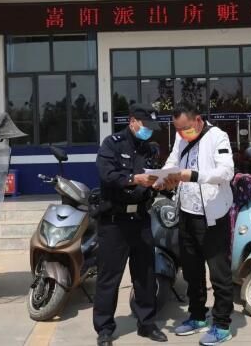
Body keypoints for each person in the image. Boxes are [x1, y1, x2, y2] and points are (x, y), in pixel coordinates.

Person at [158, 102, 235, 346]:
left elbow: (226, 172)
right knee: (192, 271)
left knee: (219, 274)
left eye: (185, 128)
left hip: (212, 217)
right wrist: (162, 177)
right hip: (186, 214)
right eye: (178, 130)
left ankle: (222, 324)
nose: (182, 134)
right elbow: (172, 161)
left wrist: (194, 175)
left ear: (198, 120)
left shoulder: (218, 137)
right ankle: (198, 316)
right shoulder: (180, 138)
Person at [94, 103, 168, 346]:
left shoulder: (149, 148)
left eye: (151, 127)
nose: (149, 130)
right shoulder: (112, 144)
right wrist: (133, 179)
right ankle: (105, 328)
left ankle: (147, 324)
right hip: (114, 222)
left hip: (141, 220)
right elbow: (107, 175)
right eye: (145, 125)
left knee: (145, 275)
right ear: (132, 121)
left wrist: (160, 183)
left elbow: (154, 176)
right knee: (109, 277)